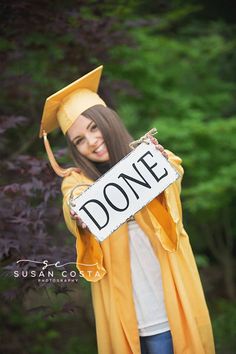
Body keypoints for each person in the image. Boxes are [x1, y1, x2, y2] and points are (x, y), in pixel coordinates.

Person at [40, 66, 215, 354]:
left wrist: (160, 162)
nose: (91, 142)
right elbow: (73, 199)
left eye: (94, 128)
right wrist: (79, 214)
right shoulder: (78, 182)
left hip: (170, 305)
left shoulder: (149, 161)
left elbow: (173, 176)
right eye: (79, 141)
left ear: (109, 121)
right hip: (129, 313)